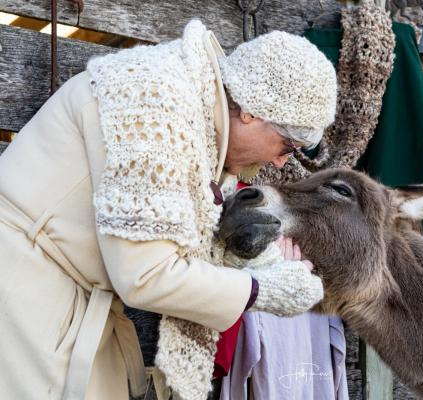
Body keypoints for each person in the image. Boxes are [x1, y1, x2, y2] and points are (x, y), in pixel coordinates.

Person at [0, 19, 336, 399]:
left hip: (54, 300)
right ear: (252, 112)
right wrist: (261, 289)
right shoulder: (154, 102)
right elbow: (146, 274)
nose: (280, 163)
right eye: (287, 145)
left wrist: (254, 262)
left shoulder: (194, 115)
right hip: (21, 298)